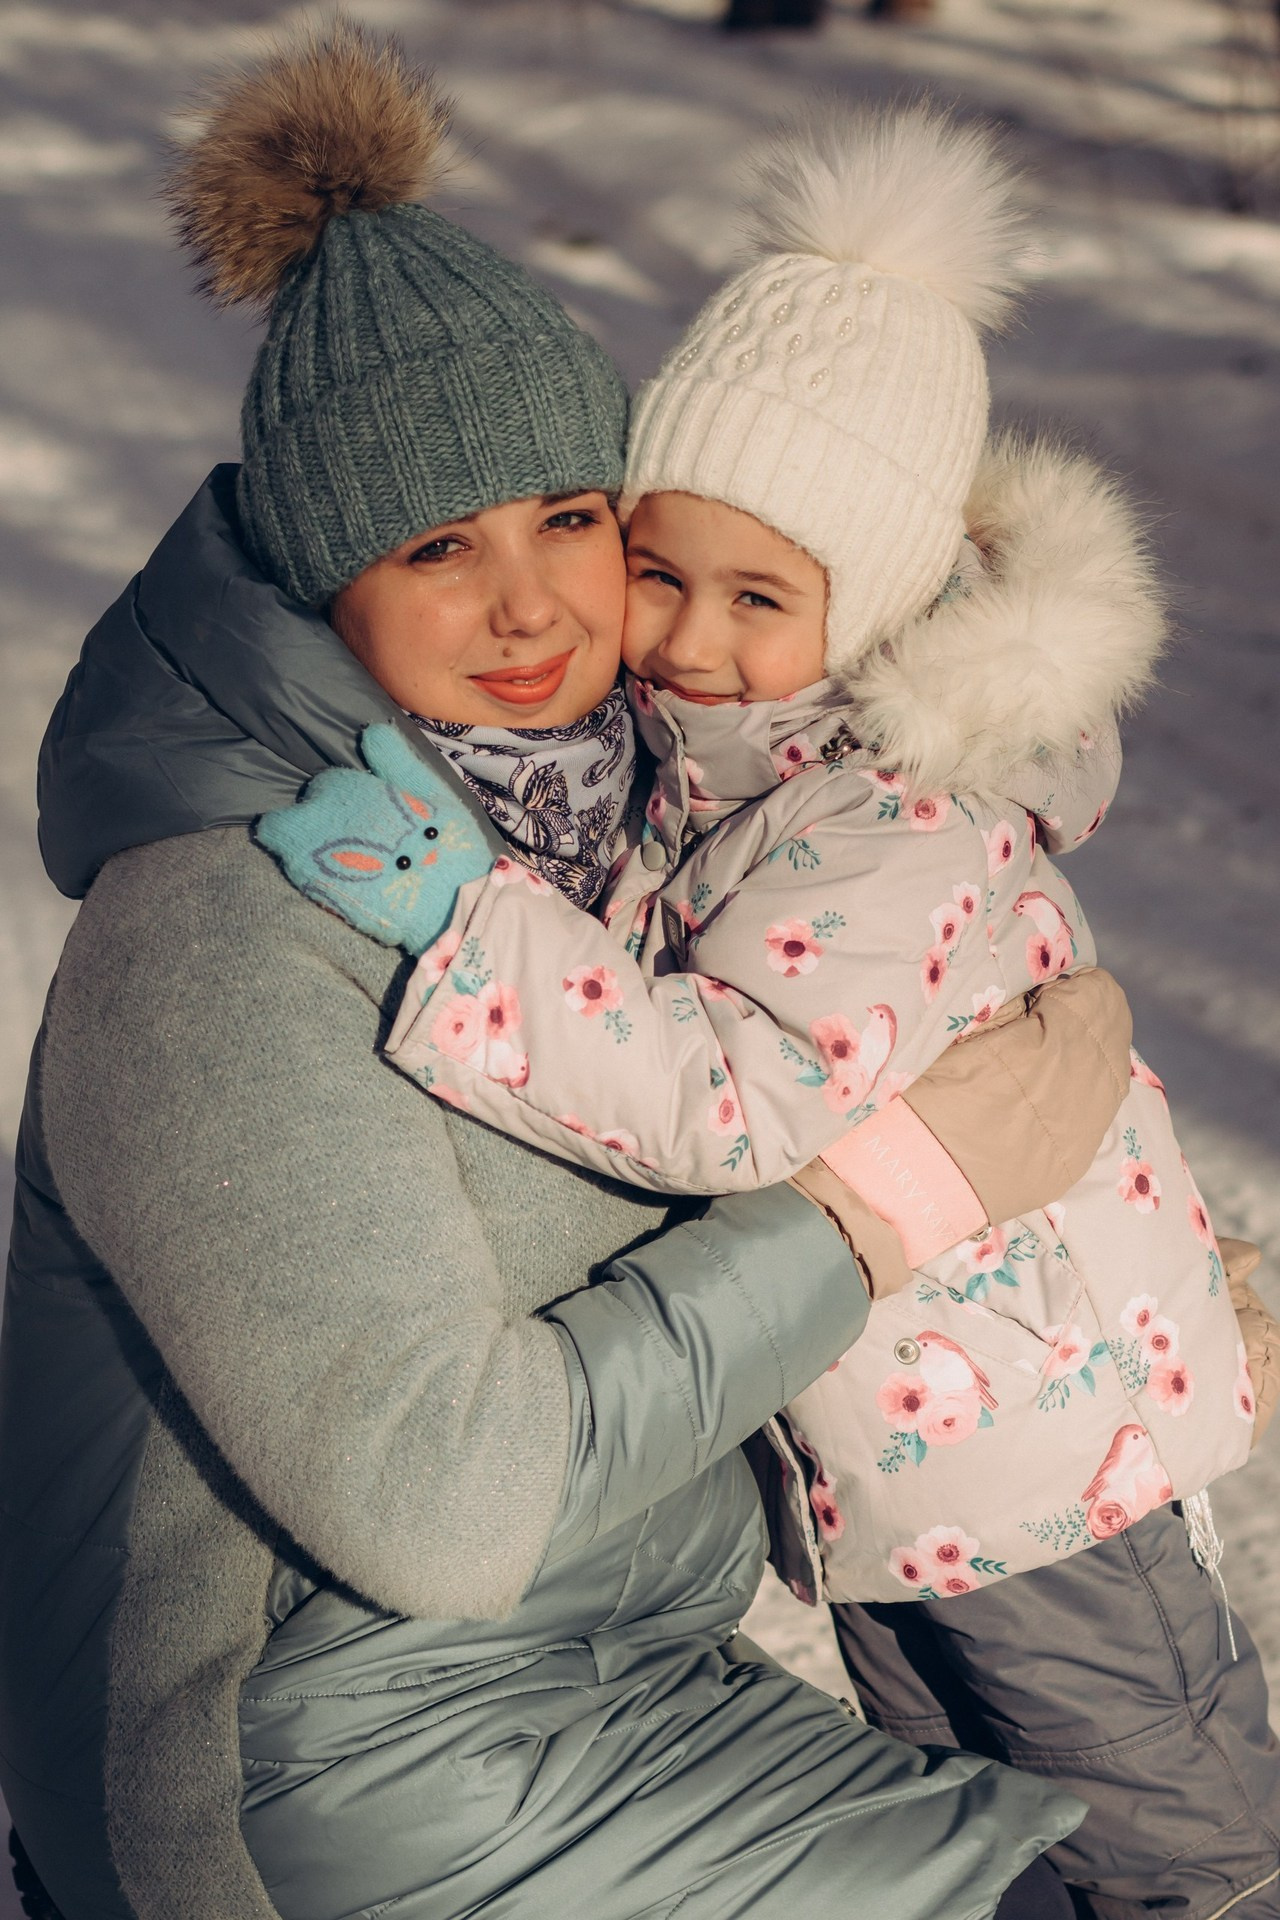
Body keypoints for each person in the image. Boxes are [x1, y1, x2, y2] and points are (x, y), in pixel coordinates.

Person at [0, 26, 1116, 1920]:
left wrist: (1090, 1258)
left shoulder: (608, 818)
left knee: (1105, 1855)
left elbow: (761, 1061)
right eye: (441, 545)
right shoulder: (225, 927)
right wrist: (895, 1199)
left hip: (588, 1673)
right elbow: (443, 1499)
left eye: (571, 520)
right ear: (324, 577)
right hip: (309, 1765)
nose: (531, 606)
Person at [266, 101, 1280, 1917]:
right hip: (911, 1466)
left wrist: (470, 937)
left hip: (1039, 1459)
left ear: (872, 606)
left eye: (761, 598)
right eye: (659, 571)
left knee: (1177, 1844)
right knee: (991, 1836)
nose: (686, 639)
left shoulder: (890, 825)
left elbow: (739, 1098)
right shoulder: (725, 774)